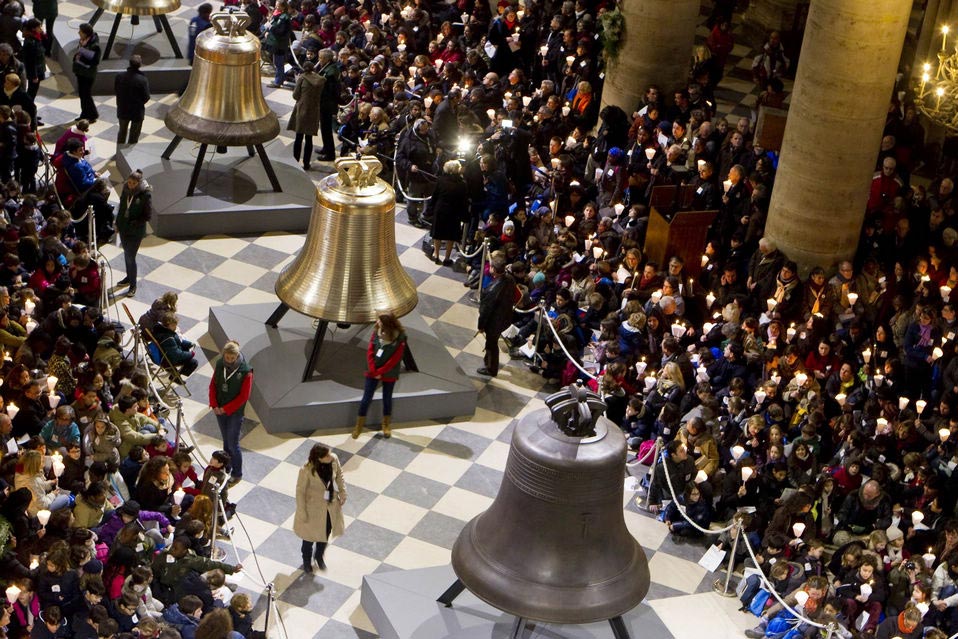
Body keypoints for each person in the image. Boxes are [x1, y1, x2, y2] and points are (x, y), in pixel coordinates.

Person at [352, 313, 407, 439]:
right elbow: (370, 351)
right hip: (373, 371)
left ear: (386, 323)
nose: (377, 322)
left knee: (387, 398)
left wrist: (380, 372)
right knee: (366, 398)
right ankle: (359, 425)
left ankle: (386, 425)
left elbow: (395, 359)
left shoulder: (400, 337)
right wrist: (374, 371)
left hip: (389, 372)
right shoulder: (376, 331)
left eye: (380, 320)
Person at [293, 443, 346, 573]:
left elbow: (339, 475)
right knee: (309, 538)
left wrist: (343, 491)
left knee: (325, 533)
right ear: (319, 458)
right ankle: (306, 561)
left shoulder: (334, 460)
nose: (330, 456)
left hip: (330, 505)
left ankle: (319, 556)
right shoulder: (306, 470)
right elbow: (300, 492)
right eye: (327, 455)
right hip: (313, 509)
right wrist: (302, 512)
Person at [208, 340, 253, 488]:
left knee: (233, 443)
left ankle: (237, 473)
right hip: (219, 408)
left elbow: (244, 396)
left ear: (237, 355)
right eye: (227, 357)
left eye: (231, 358)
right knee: (226, 441)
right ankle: (227, 466)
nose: (229, 360)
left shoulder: (246, 371)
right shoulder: (220, 364)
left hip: (234, 412)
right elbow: (213, 385)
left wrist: (226, 409)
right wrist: (214, 404)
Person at [477, 258, 516, 377]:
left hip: (494, 321)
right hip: (504, 317)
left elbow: (486, 310)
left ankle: (491, 368)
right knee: (492, 342)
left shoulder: (492, 290)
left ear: (493, 269)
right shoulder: (510, 279)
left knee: (491, 344)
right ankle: (487, 360)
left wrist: (481, 325)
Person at [115, 169, 152, 296]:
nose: (130, 185)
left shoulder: (145, 195)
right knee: (126, 254)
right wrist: (117, 223)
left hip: (135, 230)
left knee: (130, 256)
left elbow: (148, 216)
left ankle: (133, 285)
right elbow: (122, 207)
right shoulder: (125, 190)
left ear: (139, 183)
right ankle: (128, 277)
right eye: (129, 182)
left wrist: (135, 222)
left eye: (133, 183)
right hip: (124, 227)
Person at [429, 160, 469, 265]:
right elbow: (464, 201)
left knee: (438, 233)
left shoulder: (441, 180)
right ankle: (447, 258)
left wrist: (430, 208)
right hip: (454, 212)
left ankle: (436, 255)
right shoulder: (462, 184)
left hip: (441, 209)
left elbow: (435, 195)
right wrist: (465, 216)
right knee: (451, 235)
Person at [286, 61, 324, 171]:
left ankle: (295, 161)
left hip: (302, 109)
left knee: (299, 137)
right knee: (309, 138)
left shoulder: (302, 78)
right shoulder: (320, 80)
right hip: (314, 110)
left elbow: (295, 95)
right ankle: (307, 164)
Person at [114, 55, 150, 146]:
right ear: (140, 65)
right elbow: (146, 97)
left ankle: (119, 151)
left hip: (122, 109)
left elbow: (116, 90)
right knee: (134, 135)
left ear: (129, 64)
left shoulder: (119, 76)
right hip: (137, 111)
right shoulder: (142, 79)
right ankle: (129, 154)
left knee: (122, 131)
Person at [315, 48, 340, 161]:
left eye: (321, 58)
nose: (319, 60)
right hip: (324, 102)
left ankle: (330, 154)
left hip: (327, 103)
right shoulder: (326, 67)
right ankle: (326, 147)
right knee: (324, 127)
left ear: (326, 59)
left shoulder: (331, 71)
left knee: (326, 128)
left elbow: (328, 89)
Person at [72, 23, 100, 122]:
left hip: (88, 73)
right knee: (82, 94)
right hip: (81, 71)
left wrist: (81, 59)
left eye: (80, 31)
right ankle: (84, 113)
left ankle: (92, 114)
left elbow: (95, 61)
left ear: (85, 33)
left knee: (86, 94)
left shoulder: (95, 46)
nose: (78, 32)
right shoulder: (83, 41)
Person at [264, 0, 294, 88]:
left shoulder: (284, 18)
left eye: (278, 6)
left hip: (280, 45)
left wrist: (271, 28)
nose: (276, 7)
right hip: (276, 43)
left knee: (279, 63)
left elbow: (281, 31)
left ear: (283, 7)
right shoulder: (279, 16)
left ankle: (278, 82)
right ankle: (280, 79)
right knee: (277, 62)